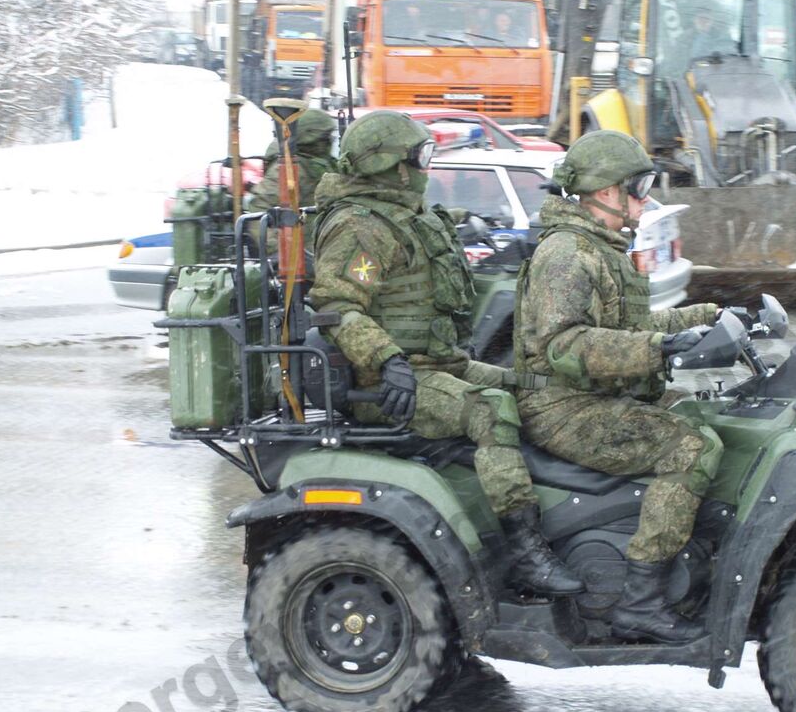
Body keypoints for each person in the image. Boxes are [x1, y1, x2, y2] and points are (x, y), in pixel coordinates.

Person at [309, 110, 585, 596]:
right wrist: (386, 360)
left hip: (441, 364)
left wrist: (472, 224)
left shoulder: (401, 214)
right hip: (392, 383)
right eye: (420, 157)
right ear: (388, 165)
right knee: (491, 410)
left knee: (537, 382)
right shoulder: (361, 228)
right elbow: (339, 305)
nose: (425, 167)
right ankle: (522, 549)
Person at [513, 130, 724, 644]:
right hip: (563, 406)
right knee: (693, 449)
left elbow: (630, 327)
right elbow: (566, 345)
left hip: (595, 396)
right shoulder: (567, 254)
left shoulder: (598, 249)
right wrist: (657, 349)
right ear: (605, 191)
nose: (645, 197)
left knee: (709, 415)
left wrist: (714, 316)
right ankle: (642, 601)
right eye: (639, 185)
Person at [248, 107, 338, 238]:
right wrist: (278, 249)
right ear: (312, 138)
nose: (330, 141)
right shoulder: (288, 169)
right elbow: (259, 208)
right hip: (302, 249)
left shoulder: (322, 162)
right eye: (325, 137)